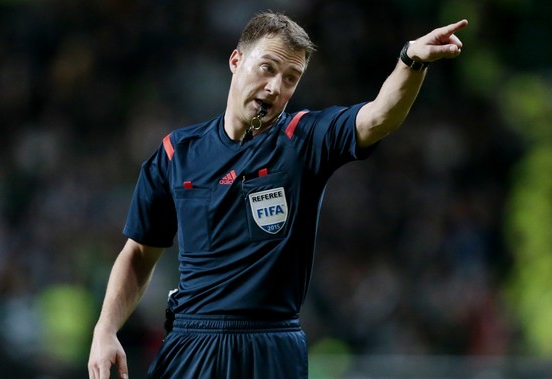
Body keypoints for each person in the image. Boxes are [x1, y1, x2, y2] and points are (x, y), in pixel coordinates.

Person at [88, 11, 468, 379]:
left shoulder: (302, 140)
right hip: (192, 342)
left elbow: (378, 117)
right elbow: (138, 254)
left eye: (291, 78)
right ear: (236, 61)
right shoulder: (176, 153)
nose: (276, 87)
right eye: (267, 68)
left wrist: (410, 61)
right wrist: (105, 330)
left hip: (271, 345)